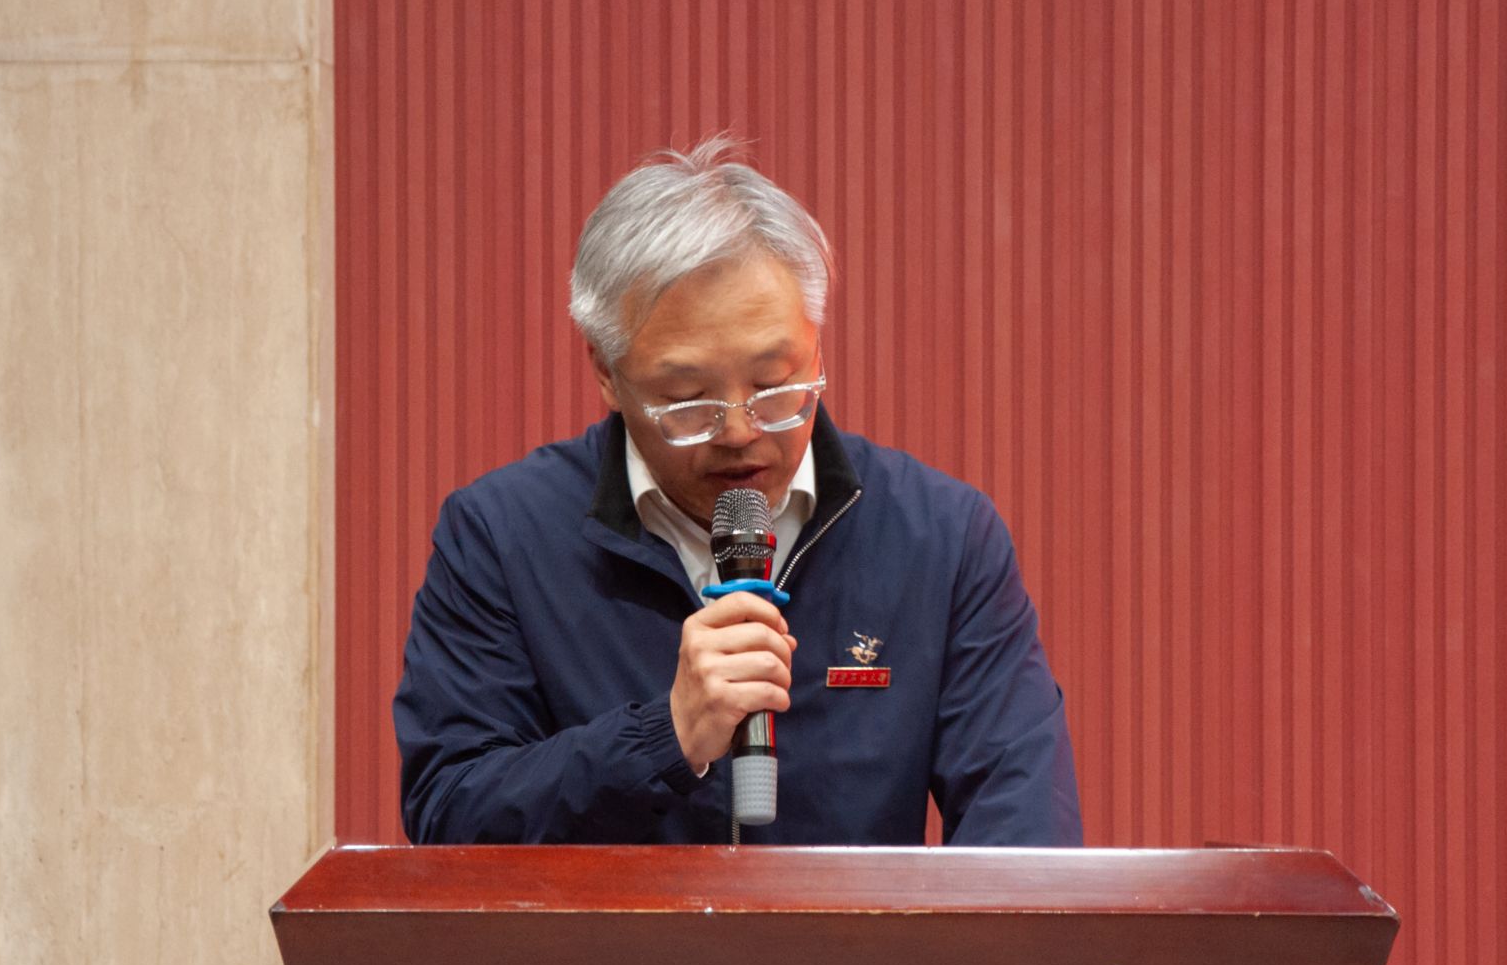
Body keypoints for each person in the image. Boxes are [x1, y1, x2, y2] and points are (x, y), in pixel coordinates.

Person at [393, 136, 1082, 845]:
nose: (739, 431)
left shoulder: (941, 538)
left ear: (817, 348)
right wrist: (664, 737)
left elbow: (1029, 837)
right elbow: (450, 814)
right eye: (687, 399)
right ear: (606, 372)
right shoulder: (501, 538)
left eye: (775, 385)